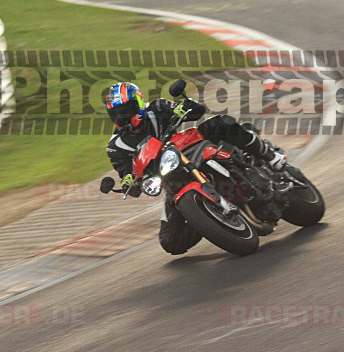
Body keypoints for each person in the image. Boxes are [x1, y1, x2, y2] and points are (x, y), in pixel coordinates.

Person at [103, 81, 288, 255]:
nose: (123, 117)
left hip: (188, 146)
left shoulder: (157, 107)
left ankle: (268, 155)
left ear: (139, 102)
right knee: (170, 242)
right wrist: (128, 182)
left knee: (222, 123)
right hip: (169, 176)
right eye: (117, 113)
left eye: (127, 110)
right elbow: (126, 175)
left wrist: (184, 107)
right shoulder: (115, 147)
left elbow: (194, 110)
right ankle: (207, 217)